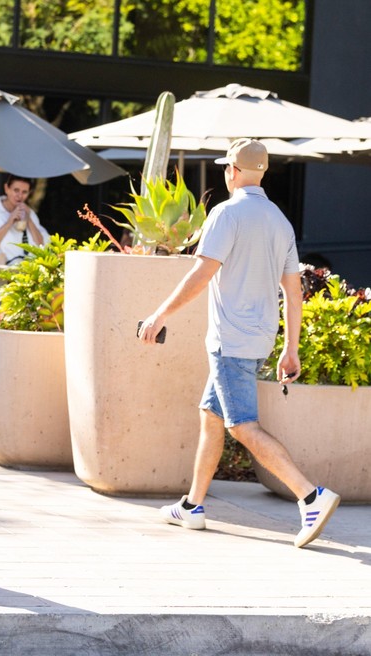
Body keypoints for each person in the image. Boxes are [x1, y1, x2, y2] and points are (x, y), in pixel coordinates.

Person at [138, 139, 339, 548]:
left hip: (230, 341)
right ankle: (193, 506)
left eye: (226, 168)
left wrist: (160, 315)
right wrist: (291, 348)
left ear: (232, 171)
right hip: (260, 338)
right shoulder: (280, 221)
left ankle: (311, 495)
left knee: (242, 425)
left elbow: (201, 274)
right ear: (261, 173)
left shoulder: (226, 214)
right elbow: (293, 292)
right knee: (211, 415)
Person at [0, 175, 50, 265]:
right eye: (16, 190)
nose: (20, 196)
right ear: (6, 188)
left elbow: (42, 244)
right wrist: (9, 222)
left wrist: (28, 218)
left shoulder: (30, 213)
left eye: (24, 192)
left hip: (27, 271)